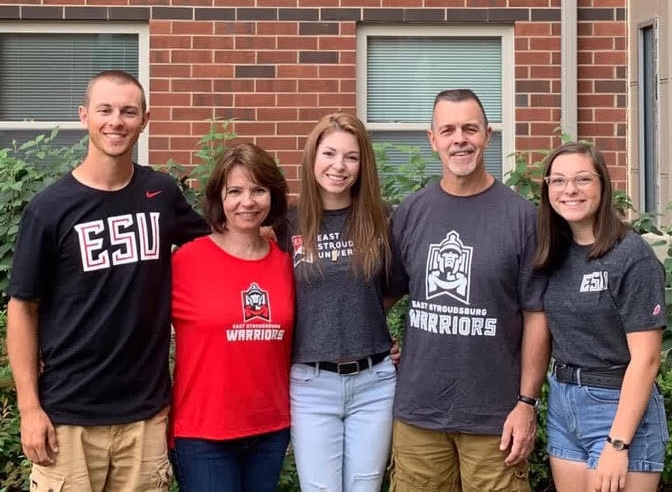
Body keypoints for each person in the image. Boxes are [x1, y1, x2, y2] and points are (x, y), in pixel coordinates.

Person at [6, 70, 209, 491]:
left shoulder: (161, 193)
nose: (116, 121)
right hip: (68, 416)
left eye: (128, 111)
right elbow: (23, 307)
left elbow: (220, 244)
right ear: (85, 116)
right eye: (105, 110)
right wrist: (29, 409)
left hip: (145, 415)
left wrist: (270, 236)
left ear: (145, 119)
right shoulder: (50, 209)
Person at [387, 88, 550, 491]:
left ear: (487, 135)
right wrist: (374, 343)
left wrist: (527, 404)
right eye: (448, 130)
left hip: (495, 419)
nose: (459, 138)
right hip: (419, 416)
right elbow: (384, 292)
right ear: (432, 139)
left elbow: (537, 317)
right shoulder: (412, 211)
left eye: (469, 129)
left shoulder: (522, 218)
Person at [534, 142, 668, 492]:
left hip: (617, 406)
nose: (570, 190)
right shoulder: (554, 251)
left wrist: (618, 443)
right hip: (564, 402)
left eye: (582, 179)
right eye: (559, 180)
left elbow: (648, 358)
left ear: (603, 186)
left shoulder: (631, 257)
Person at [277, 112, 397, 492]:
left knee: (365, 487)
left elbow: (394, 288)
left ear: (363, 165)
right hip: (312, 383)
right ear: (313, 157)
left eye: (351, 157)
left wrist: (369, 325)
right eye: (329, 154)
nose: (339, 166)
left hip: (374, 382)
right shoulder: (287, 224)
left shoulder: (382, 220)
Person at [169, 143, 294, 492]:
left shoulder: (287, 264)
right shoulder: (186, 262)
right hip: (203, 433)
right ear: (218, 198)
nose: (248, 202)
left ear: (272, 196)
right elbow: (138, 325)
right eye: (235, 191)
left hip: (269, 429)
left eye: (258, 190)